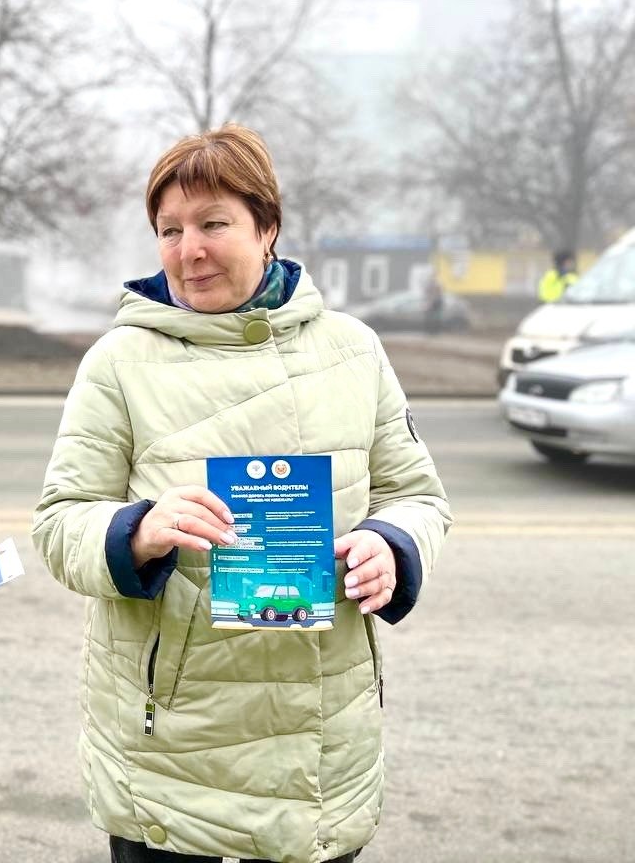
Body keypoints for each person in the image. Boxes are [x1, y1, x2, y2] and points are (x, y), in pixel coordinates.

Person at [32, 125, 452, 863]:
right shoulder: (119, 363)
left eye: (213, 223)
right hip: (168, 751)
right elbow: (60, 521)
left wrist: (393, 545)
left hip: (318, 747)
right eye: (169, 230)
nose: (188, 249)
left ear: (268, 227)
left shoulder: (353, 351)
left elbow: (417, 495)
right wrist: (138, 531)